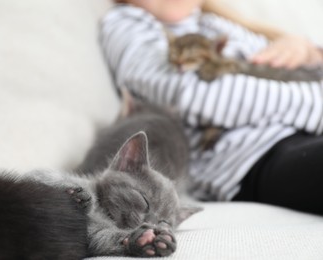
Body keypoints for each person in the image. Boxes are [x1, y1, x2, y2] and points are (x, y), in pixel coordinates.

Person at [100, 0, 323, 215]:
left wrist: (310, 53)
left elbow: (292, 72)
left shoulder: (220, 24)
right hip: (250, 160)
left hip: (308, 136)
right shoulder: (129, 23)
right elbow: (198, 96)